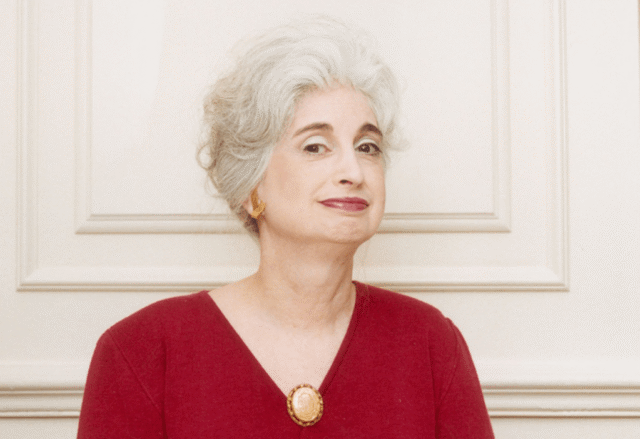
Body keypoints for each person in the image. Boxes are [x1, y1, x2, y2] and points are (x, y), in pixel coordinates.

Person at [77, 16, 494, 438]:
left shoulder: (431, 342)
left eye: (367, 147)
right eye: (315, 147)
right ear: (250, 184)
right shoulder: (142, 352)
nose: (353, 172)